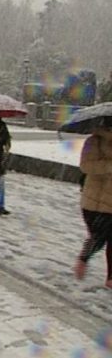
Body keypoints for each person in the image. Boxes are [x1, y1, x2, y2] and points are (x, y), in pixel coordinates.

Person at [74, 120, 112, 289]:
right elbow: (85, 166)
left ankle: (111, 278)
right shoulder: (92, 141)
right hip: (94, 201)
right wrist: (109, 165)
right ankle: (83, 259)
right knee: (98, 236)